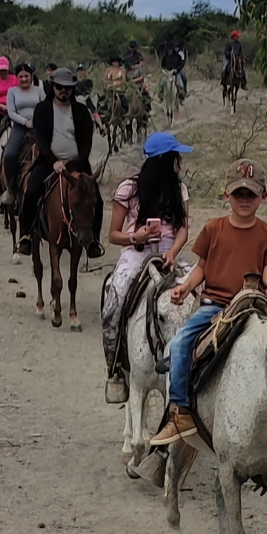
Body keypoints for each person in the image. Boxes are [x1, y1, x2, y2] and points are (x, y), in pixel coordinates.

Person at [149, 158, 267, 445]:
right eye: (238, 193)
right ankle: (181, 413)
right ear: (226, 194)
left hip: (253, 307)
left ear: (262, 197)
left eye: (251, 194)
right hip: (215, 306)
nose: (244, 200)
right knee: (180, 343)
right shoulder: (214, 229)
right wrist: (185, 287)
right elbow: (202, 268)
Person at [102, 132, 192, 395]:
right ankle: (115, 365)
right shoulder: (128, 189)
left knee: (199, 294)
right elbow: (113, 234)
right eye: (176, 157)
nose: (180, 163)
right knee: (115, 300)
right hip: (136, 253)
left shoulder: (179, 189)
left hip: (169, 254)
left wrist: (174, 251)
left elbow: (184, 229)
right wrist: (136, 236)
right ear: (165, 159)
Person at [17, 67, 104, 258]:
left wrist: (77, 161)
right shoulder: (42, 110)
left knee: (96, 197)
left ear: (72, 89)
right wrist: (53, 161)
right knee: (31, 191)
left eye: (67, 87)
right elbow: (39, 137)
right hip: (49, 162)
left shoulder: (81, 111)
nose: (63, 90)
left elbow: (87, 142)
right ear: (53, 87)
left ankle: (93, 241)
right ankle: (26, 235)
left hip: (77, 163)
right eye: (59, 86)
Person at [0, 63, 46, 206]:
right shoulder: (12, 91)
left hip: (38, 127)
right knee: (8, 155)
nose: (24, 79)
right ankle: (11, 189)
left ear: (32, 76)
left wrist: (38, 121)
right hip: (20, 127)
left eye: (27, 76)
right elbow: (11, 112)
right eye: (21, 76)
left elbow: (46, 106)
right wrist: (26, 122)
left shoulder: (39, 90)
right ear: (17, 77)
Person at [75, 64, 103, 129]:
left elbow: (89, 90)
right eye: (79, 71)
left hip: (86, 98)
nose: (80, 72)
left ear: (85, 72)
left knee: (93, 110)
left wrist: (84, 95)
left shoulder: (88, 81)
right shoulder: (74, 82)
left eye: (82, 71)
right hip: (76, 98)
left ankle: (100, 126)